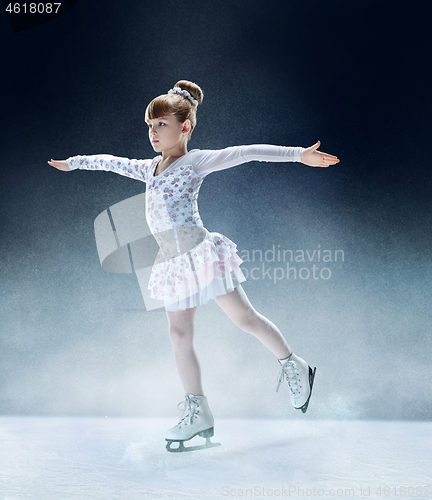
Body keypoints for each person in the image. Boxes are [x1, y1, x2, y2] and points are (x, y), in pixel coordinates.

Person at [48, 80, 340, 452]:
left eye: (161, 125)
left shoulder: (196, 161)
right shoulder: (148, 167)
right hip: (171, 264)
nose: (153, 133)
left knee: (245, 319)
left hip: (200, 255)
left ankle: (293, 364)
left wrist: (299, 154)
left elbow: (247, 152)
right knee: (179, 335)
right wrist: (73, 163)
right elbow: (110, 162)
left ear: (184, 127)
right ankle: (198, 411)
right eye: (150, 126)